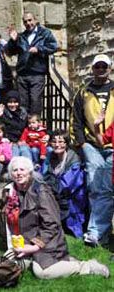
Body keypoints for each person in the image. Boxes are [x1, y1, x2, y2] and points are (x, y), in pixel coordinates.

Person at [1, 156, 110, 279]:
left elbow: (52, 225)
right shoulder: (9, 192)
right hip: (24, 241)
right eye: (15, 170)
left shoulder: (41, 191)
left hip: (48, 241)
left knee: (42, 273)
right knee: (5, 265)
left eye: (22, 169)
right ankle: (51, 261)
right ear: (11, 174)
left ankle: (87, 266)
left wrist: (34, 247)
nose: (19, 173)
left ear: (30, 172)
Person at [70, 54, 114, 247]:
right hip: (92, 145)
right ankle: (96, 232)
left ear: (110, 69)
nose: (101, 69)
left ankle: (96, 231)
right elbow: (76, 120)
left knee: (104, 189)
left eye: (104, 66)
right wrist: (81, 144)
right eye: (98, 66)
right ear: (92, 69)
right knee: (96, 188)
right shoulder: (84, 92)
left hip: (112, 145)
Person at [5, 12, 57, 114]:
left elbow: (53, 46)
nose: (28, 23)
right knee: (23, 102)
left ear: (35, 20)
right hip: (22, 74)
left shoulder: (44, 33)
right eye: (25, 22)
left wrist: (39, 49)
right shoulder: (21, 36)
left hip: (37, 73)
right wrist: (13, 40)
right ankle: (25, 126)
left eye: (30, 20)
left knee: (35, 100)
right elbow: (10, 52)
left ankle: (35, 125)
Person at [42, 130, 87, 238]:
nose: (57, 145)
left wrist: (49, 185)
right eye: (54, 141)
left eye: (61, 142)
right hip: (54, 191)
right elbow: (43, 175)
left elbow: (68, 183)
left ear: (67, 143)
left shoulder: (74, 159)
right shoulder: (50, 156)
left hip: (71, 196)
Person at [0, 90, 29, 158]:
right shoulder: (3, 113)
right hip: (8, 141)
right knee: (14, 151)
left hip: (21, 141)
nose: (13, 104)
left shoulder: (23, 113)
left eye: (15, 102)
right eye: (10, 102)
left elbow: (31, 127)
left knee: (25, 150)